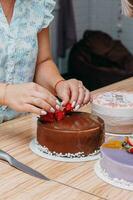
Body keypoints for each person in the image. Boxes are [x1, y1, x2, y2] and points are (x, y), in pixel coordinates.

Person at [0, 0, 90, 123]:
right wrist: (5, 93)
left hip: (18, 127)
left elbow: (42, 62)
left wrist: (59, 83)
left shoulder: (38, 3)